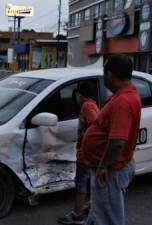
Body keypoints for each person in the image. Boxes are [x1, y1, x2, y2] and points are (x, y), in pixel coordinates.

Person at [82, 54, 141, 225]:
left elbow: (117, 142)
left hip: (110, 171)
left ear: (110, 74)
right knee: (98, 214)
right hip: (109, 168)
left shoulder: (123, 101)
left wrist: (103, 166)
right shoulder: (124, 95)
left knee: (109, 219)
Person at [58, 82, 100, 225]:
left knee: (81, 181)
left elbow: (95, 124)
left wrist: (85, 143)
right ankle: (90, 209)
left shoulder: (87, 106)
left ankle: (77, 214)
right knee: (89, 181)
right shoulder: (92, 104)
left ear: (79, 95)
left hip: (85, 154)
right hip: (89, 153)